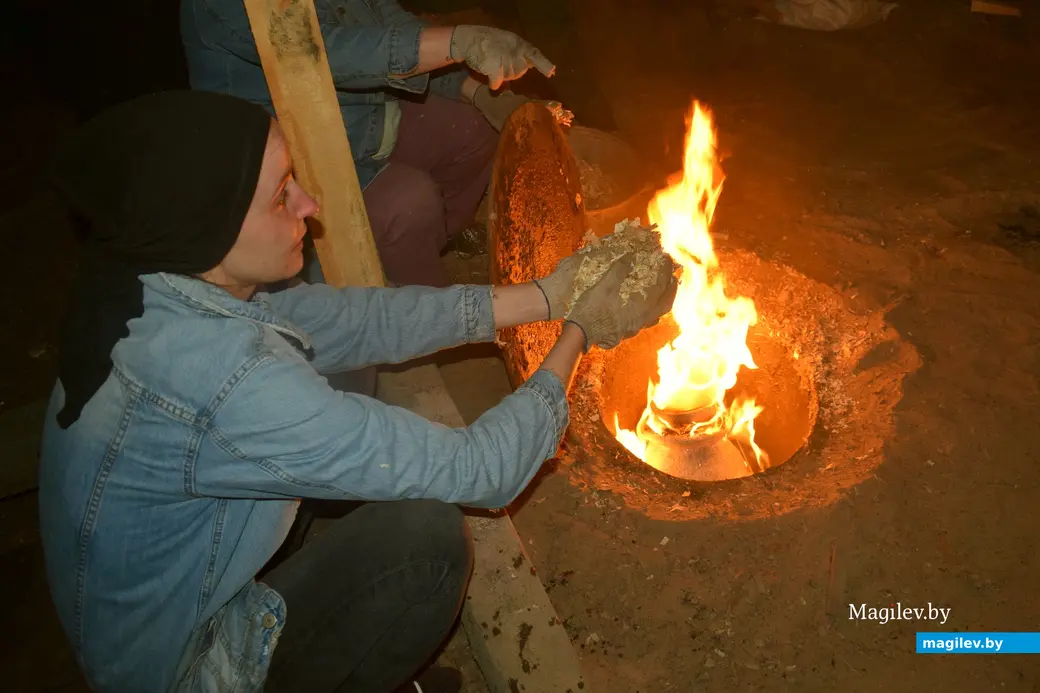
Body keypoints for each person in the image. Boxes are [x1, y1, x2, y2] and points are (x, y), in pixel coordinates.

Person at [38, 91, 676, 693]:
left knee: (336, 363)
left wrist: (546, 295)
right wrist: (583, 329)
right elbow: (483, 471)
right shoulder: (225, 378)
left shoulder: (160, 274)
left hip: (161, 596)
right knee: (425, 542)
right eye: (280, 196)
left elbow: (355, 324)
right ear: (210, 227)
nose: (309, 205)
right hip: (187, 665)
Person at [180, 0, 547, 288]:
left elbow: (388, 21)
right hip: (303, 166)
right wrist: (459, 41)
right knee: (410, 203)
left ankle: (424, 246)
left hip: (366, 121)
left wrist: (479, 93)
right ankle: (417, 310)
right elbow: (330, 52)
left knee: (472, 130)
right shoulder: (221, 4)